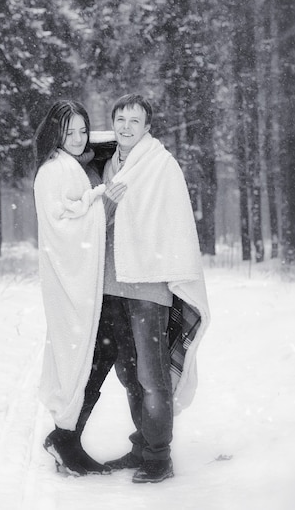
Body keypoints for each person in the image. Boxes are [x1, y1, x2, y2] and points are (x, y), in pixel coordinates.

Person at [91, 93, 210, 484]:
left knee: (152, 374)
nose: (126, 126)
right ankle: (142, 444)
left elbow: (171, 222)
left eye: (135, 121)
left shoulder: (160, 164)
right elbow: (103, 220)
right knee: (128, 373)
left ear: (147, 127)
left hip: (148, 285)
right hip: (115, 283)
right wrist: (107, 205)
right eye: (120, 119)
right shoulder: (110, 164)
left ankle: (159, 457)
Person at [33, 99, 125, 477]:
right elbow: (65, 230)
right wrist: (103, 202)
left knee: (95, 352)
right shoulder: (55, 171)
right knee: (85, 354)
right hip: (70, 280)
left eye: (82, 130)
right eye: (68, 131)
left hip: (82, 280)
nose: (77, 138)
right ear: (55, 133)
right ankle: (65, 436)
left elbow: (76, 212)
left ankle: (67, 435)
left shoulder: (72, 165)